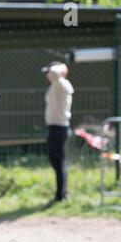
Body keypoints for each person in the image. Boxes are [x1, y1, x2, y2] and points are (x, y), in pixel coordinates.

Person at [42, 61, 74, 202]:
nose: (47, 75)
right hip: (54, 128)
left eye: (47, 72)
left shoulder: (62, 84)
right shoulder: (56, 86)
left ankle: (61, 195)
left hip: (59, 128)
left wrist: (61, 67)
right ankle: (61, 192)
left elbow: (55, 73)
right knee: (56, 162)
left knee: (59, 162)